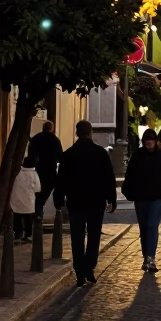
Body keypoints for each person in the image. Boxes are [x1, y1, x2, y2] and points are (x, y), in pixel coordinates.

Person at [54, 120, 117, 286]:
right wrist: (112, 199)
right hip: (96, 202)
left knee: (77, 237)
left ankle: (79, 271)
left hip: (76, 202)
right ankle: (89, 267)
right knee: (94, 236)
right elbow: (109, 177)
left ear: (77, 133)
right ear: (90, 133)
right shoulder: (100, 153)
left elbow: (61, 180)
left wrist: (58, 199)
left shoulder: (68, 154)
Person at [122, 128, 161, 273]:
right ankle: (146, 256)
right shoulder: (137, 156)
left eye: (151, 143)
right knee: (144, 227)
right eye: (147, 144)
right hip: (141, 197)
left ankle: (151, 257)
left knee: (152, 225)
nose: (149, 146)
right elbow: (129, 175)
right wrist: (130, 192)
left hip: (156, 197)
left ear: (155, 142)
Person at [28, 121, 63, 217]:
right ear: (52, 129)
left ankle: (38, 209)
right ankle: (39, 208)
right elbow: (60, 156)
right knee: (46, 191)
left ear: (43, 128)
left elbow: (30, 155)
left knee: (37, 192)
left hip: (37, 170)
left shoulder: (35, 139)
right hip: (50, 170)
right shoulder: (55, 140)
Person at [10, 152, 41, 243]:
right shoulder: (34, 175)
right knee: (28, 218)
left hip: (17, 200)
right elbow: (38, 189)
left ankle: (17, 236)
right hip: (29, 201)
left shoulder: (18, 173)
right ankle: (28, 235)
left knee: (18, 218)